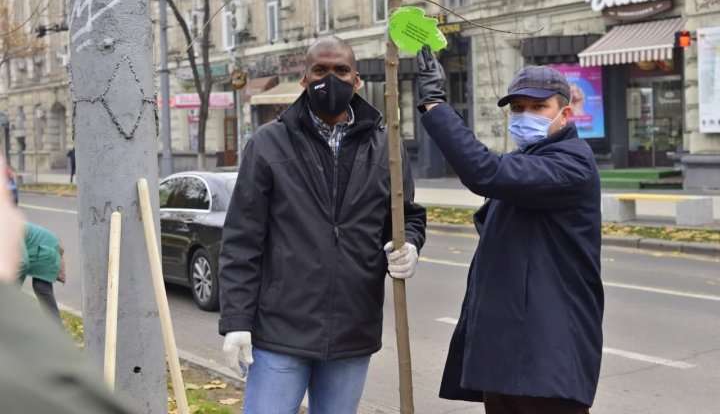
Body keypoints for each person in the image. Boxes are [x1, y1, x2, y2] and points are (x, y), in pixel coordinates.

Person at [219, 35, 426, 413]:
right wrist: (236, 321)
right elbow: (241, 239)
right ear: (304, 79)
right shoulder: (268, 144)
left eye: (341, 70)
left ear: (357, 80)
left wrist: (410, 244)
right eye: (320, 70)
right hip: (279, 331)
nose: (330, 79)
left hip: (352, 330)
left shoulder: (387, 148)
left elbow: (406, 215)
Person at [415, 47, 603, 414]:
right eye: (517, 108)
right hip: (508, 353)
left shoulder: (572, 163)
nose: (524, 116)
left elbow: (483, 172)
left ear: (564, 114)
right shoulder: (525, 161)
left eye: (538, 107)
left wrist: (436, 106)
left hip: (546, 356)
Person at [0, 156, 136, 413]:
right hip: (39, 248)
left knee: (44, 296)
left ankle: (58, 340)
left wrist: (9, 297)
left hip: (44, 251)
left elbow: (22, 262)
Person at [18, 222, 66, 319]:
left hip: (46, 248)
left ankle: (56, 330)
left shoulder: (6, 228)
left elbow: (22, 263)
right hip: (35, 248)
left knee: (41, 288)